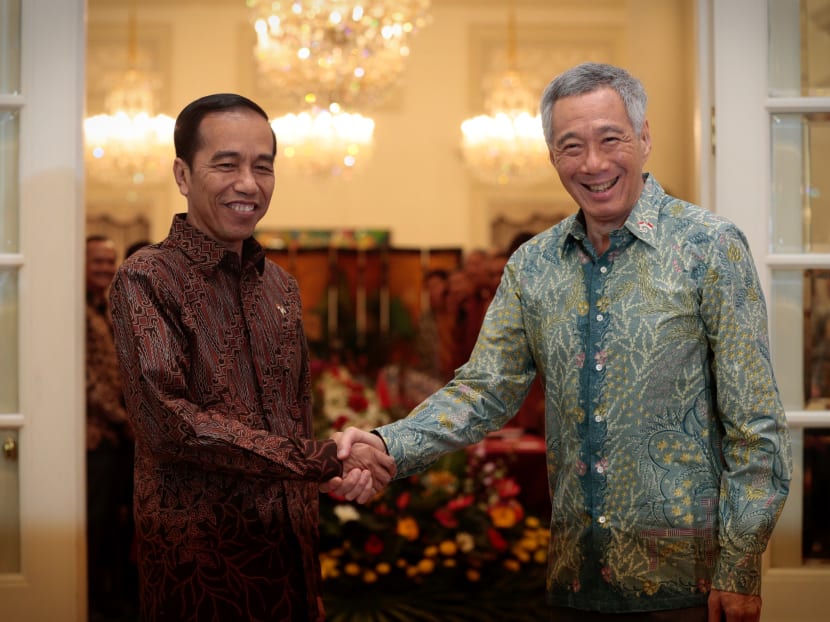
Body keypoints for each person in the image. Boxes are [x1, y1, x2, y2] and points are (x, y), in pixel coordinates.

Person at [332, 63, 792, 622]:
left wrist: (740, 567)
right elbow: (484, 390)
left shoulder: (710, 248)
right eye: (570, 146)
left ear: (644, 138)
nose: (592, 163)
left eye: (611, 139)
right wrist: (387, 445)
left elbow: (756, 424)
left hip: (688, 588)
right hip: (573, 582)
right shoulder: (533, 265)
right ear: (552, 156)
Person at [109, 93, 395, 622]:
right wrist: (319, 458)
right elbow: (169, 423)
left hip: (290, 557)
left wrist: (322, 484)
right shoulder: (146, 277)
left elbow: (291, 415)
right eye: (227, 164)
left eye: (263, 167)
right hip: (200, 568)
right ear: (183, 173)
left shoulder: (279, 286)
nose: (249, 183)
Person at [85, 235, 137, 620]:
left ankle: (110, 596)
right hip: (92, 436)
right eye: (97, 261)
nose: (105, 268)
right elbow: (86, 382)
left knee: (113, 522)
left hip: (117, 433)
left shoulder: (106, 307)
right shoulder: (75, 311)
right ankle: (89, 601)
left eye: (109, 262)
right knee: (95, 522)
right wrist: (123, 419)